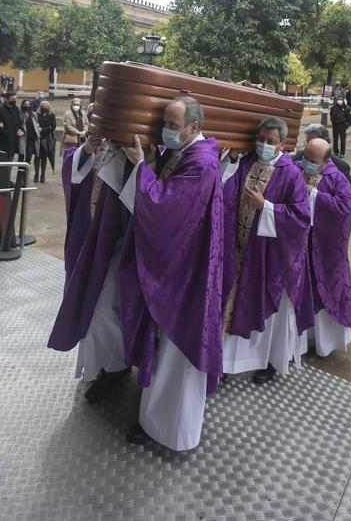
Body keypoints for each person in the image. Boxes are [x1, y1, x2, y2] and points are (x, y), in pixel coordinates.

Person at [115, 96, 224, 451]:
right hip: (177, 267)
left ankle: (171, 431)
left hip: (187, 277)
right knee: (164, 353)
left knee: (178, 358)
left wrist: (140, 169)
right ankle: (152, 420)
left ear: (194, 126)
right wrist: (149, 162)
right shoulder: (182, 152)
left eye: (173, 125)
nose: (166, 131)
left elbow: (166, 207)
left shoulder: (203, 162)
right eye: (165, 123)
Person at [48, 132, 137, 414]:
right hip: (86, 243)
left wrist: (139, 166)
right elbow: (73, 174)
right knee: (89, 308)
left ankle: (115, 368)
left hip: (117, 249)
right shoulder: (98, 147)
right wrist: (87, 149)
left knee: (102, 311)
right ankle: (98, 366)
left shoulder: (137, 150)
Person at [220, 116, 313, 386]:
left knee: (263, 311)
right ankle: (224, 362)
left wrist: (267, 207)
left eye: (271, 142)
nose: (264, 145)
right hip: (237, 248)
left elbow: (301, 218)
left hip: (267, 255)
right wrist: (233, 159)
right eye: (260, 139)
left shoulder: (290, 172)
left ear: (282, 145)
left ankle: (266, 362)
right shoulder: (247, 161)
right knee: (228, 306)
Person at [295, 138, 351, 357]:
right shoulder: (295, 169)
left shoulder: (337, 179)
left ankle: (324, 342)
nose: (307, 163)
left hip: (322, 246)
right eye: (305, 157)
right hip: (298, 245)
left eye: (313, 161)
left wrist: (313, 194)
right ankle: (297, 343)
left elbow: (346, 208)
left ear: (325, 161)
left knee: (323, 291)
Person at [0, 91, 25, 160]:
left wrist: (21, 130)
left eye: (15, 98)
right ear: (7, 99)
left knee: (10, 162)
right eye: (12, 99)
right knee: (2, 165)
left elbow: (19, 122)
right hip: (2, 143)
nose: (14, 100)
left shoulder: (16, 109)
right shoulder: (0, 110)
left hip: (13, 143)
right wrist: (9, 134)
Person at [36, 101, 56, 182]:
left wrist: (42, 129)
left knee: (44, 158)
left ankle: (42, 175)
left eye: (46, 105)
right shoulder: (37, 115)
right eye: (43, 105)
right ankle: (36, 174)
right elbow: (36, 125)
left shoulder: (52, 115)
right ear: (40, 107)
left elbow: (53, 127)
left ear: (49, 107)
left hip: (47, 138)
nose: (45, 107)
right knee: (37, 157)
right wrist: (46, 127)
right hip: (38, 138)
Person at [19, 98, 40, 173]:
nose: (27, 106)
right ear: (22, 105)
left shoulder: (33, 114)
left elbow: (36, 124)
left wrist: (38, 130)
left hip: (31, 139)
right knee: (21, 156)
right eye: (25, 104)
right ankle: (20, 178)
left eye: (28, 104)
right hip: (22, 138)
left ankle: (25, 176)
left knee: (28, 157)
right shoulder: (19, 114)